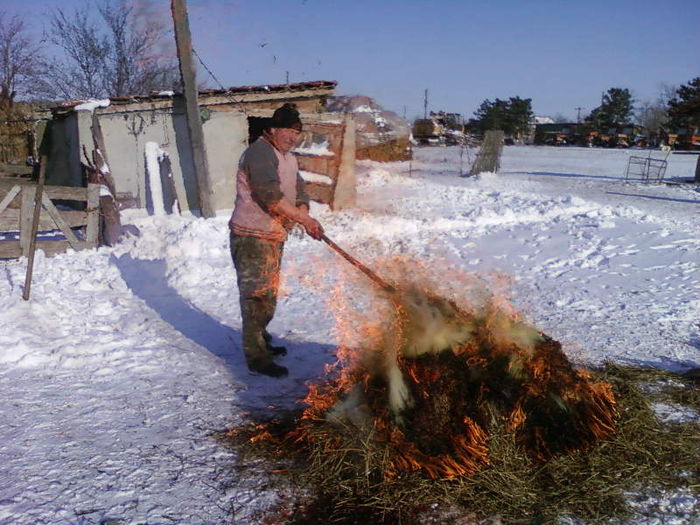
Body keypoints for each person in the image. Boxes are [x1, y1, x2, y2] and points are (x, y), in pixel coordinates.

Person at [229, 103, 324, 378]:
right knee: (255, 296)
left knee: (268, 294)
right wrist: (304, 221)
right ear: (272, 130)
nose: (292, 138)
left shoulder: (287, 157)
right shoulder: (260, 153)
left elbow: (299, 189)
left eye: (297, 133)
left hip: (272, 235)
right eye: (287, 131)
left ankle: (261, 338)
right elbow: (270, 195)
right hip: (251, 236)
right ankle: (256, 357)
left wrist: (303, 211)